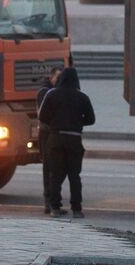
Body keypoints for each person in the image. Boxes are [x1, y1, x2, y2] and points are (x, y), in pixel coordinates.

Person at [37, 66, 96, 218]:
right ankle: (77, 209)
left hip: (55, 139)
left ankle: (54, 207)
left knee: (55, 175)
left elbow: (42, 116)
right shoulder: (82, 97)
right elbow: (91, 119)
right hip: (74, 139)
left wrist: (55, 123)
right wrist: (77, 123)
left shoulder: (52, 94)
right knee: (74, 176)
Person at [35, 67, 62, 214]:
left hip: (52, 132)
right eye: (57, 78)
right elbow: (43, 115)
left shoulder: (54, 91)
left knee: (55, 168)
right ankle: (48, 201)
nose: (59, 81)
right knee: (48, 167)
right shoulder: (45, 92)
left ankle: (53, 200)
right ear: (51, 78)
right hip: (46, 133)